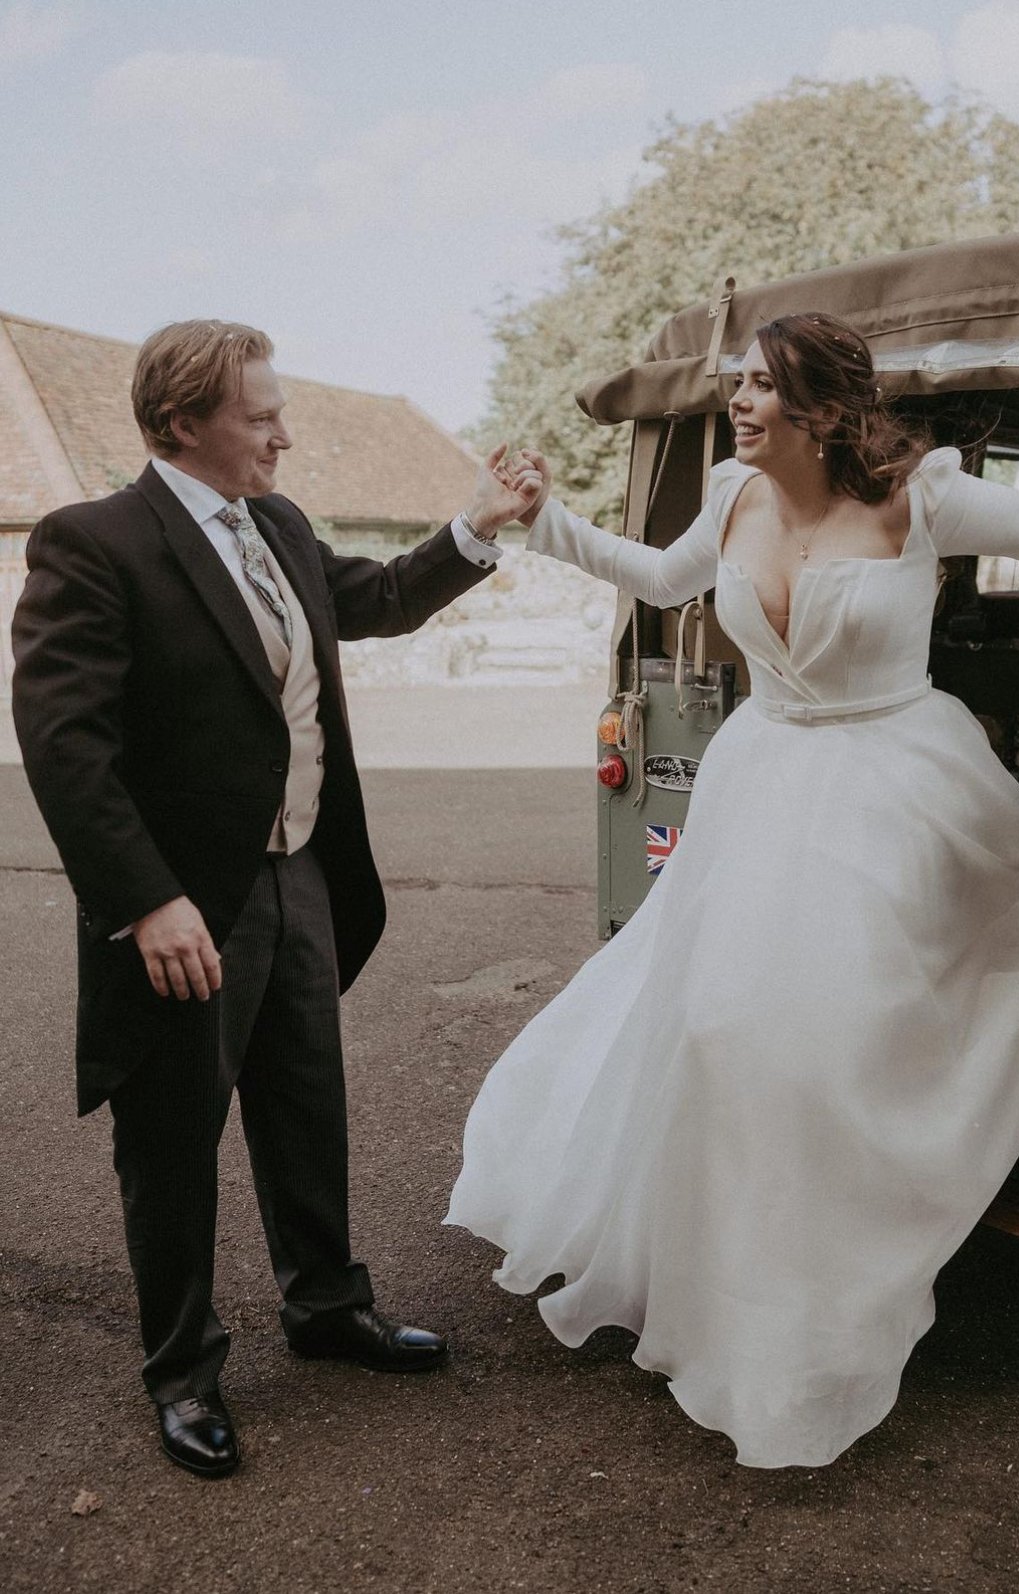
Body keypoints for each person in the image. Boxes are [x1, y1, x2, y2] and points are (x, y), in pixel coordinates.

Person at [446, 313, 1019, 1470]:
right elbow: (658, 577)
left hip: (898, 786)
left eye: (759, 385)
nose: (737, 402)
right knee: (717, 1024)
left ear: (825, 408)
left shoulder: (919, 496)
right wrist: (544, 520)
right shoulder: (732, 495)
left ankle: (834, 1282)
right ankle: (733, 1288)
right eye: (736, 382)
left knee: (829, 1032)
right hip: (764, 781)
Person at [11, 319, 541, 1478]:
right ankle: (183, 1371)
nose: (284, 436)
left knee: (306, 1104)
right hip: (184, 902)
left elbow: (382, 594)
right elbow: (64, 744)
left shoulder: (282, 527)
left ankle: (327, 1307)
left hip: (301, 872)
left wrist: (479, 522)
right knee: (172, 1139)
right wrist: (146, 899)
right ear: (181, 422)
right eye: (260, 417)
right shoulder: (95, 542)